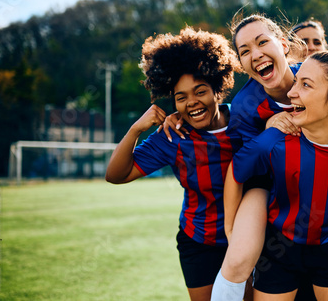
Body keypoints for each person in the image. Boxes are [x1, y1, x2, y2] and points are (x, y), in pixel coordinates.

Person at [208, 14, 328, 301]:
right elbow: (244, 165)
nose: (256, 54)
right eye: (244, 51)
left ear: (283, 44)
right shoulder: (247, 107)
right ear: (241, 63)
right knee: (239, 257)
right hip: (270, 183)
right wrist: (231, 228)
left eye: (262, 43)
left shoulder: (310, 72)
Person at [105, 27, 248, 301]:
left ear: (218, 89)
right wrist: (137, 128)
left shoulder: (246, 122)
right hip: (199, 242)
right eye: (181, 97)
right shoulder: (173, 136)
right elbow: (116, 175)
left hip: (248, 239)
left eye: (200, 91)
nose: (192, 102)